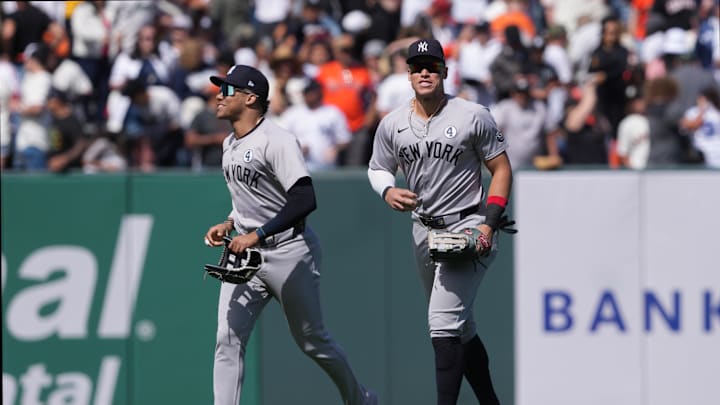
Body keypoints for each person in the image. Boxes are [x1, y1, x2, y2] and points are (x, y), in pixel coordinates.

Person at [202, 65, 377, 405]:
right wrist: (228, 221)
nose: (219, 96)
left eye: (227, 90)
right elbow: (250, 198)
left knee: (312, 341)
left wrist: (258, 234)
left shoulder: (277, 139)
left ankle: (359, 399)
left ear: (251, 98)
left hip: (289, 251)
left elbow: (304, 198)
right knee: (227, 338)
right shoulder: (229, 142)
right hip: (247, 256)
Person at [367, 38, 512, 405]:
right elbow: (378, 167)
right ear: (409, 74)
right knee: (461, 329)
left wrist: (488, 223)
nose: (425, 72)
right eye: (418, 67)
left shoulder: (471, 114)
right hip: (423, 228)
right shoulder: (393, 123)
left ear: (445, 72)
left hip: (467, 224)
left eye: (432, 66)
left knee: (443, 325)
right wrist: (387, 191)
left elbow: (501, 169)